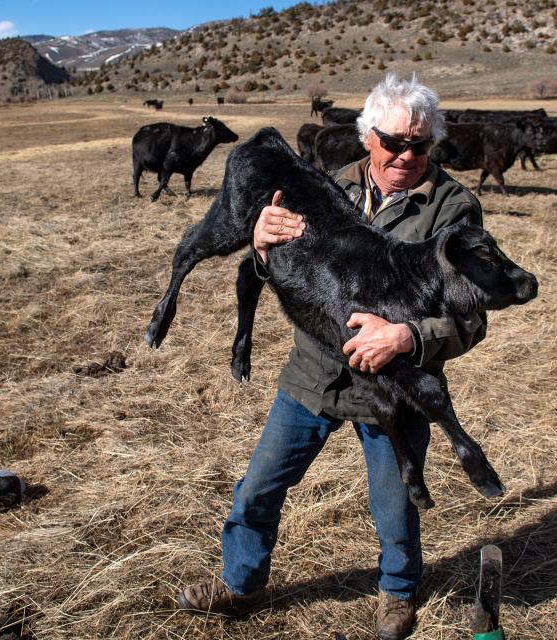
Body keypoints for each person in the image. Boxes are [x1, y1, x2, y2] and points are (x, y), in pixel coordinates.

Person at [177, 73, 487, 640]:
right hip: (312, 372)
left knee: (396, 504)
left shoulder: (453, 210)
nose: (405, 156)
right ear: (368, 136)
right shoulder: (326, 188)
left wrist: (405, 338)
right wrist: (263, 247)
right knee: (259, 487)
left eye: (420, 145)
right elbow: (288, 277)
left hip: (395, 381)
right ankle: (241, 584)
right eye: (393, 142)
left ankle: (396, 592)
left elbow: (469, 316)